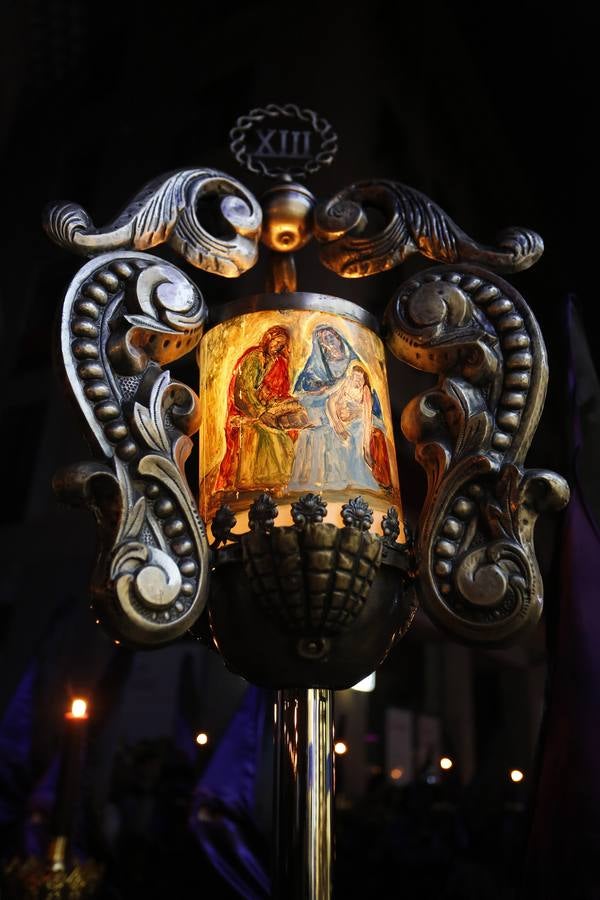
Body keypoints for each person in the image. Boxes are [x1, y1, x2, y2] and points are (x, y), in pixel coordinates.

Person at [215, 326, 306, 494]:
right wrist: (259, 411)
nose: (278, 347)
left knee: (292, 426)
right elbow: (243, 392)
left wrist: (279, 402)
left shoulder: (279, 362)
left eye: (281, 345)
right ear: (268, 339)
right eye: (276, 342)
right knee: (272, 435)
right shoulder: (254, 359)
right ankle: (262, 483)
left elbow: (280, 391)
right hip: (247, 410)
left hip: (268, 408)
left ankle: (280, 482)